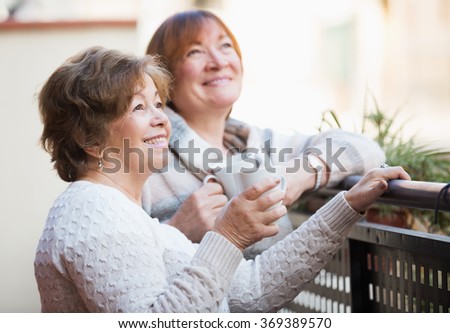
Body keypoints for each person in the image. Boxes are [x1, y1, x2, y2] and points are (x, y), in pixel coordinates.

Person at [34, 46, 410, 312]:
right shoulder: (91, 210)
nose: (161, 118)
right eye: (138, 107)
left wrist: (346, 206)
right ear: (90, 139)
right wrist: (227, 236)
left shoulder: (136, 220)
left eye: (158, 104)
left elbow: (253, 291)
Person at [142, 10, 387, 257]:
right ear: (163, 78)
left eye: (225, 46)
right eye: (194, 52)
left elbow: (366, 150)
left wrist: (300, 174)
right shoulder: (145, 158)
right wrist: (177, 230)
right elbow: (115, 265)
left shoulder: (254, 144)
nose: (218, 61)